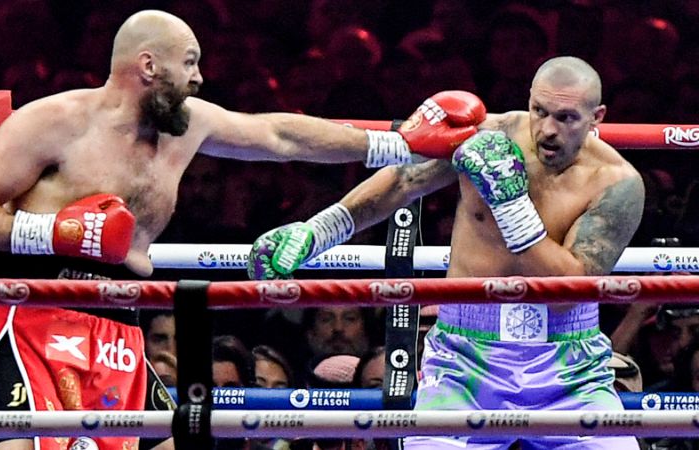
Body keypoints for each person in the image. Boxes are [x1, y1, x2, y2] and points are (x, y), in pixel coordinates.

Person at [0, 9, 487, 450]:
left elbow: (281, 136)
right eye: (189, 63)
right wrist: (55, 234)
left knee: (176, 441)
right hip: (27, 315)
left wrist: (399, 141)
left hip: (116, 325)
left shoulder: (186, 127)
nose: (199, 77)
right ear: (149, 67)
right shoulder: (54, 122)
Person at [249, 56, 645, 449]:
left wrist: (511, 206)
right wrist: (317, 231)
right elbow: (401, 183)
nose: (547, 130)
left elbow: (566, 293)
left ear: (597, 118)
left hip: (567, 367)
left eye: (566, 118)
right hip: (464, 359)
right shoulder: (486, 137)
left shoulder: (617, 184)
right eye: (539, 111)